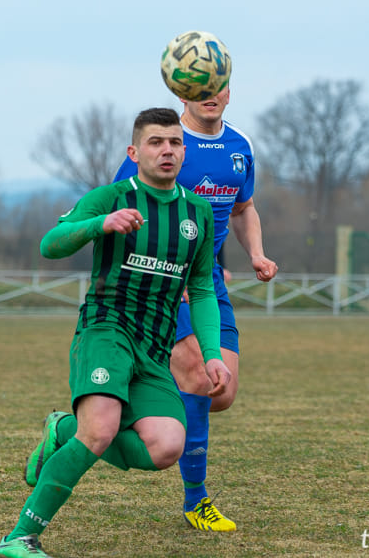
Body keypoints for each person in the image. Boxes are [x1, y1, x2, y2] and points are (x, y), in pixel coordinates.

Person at [0, 107, 231, 558]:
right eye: (156, 142)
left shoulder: (197, 213)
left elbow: (200, 289)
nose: (167, 150)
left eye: (175, 142)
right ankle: (19, 537)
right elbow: (50, 244)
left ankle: (63, 430)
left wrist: (212, 352)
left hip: (154, 347)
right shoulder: (110, 197)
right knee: (100, 431)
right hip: (105, 330)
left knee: (166, 448)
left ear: (185, 152)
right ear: (134, 151)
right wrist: (98, 224)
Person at [113, 86, 278, 532]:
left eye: (217, 85)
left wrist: (255, 255)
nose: (210, 94)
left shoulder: (239, 147)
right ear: (181, 88)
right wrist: (165, 265)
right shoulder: (165, 141)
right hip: (160, 284)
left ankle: (83, 426)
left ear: (229, 91)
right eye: (199, 86)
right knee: (201, 378)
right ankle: (196, 500)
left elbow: (242, 208)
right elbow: (123, 207)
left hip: (205, 285)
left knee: (221, 392)